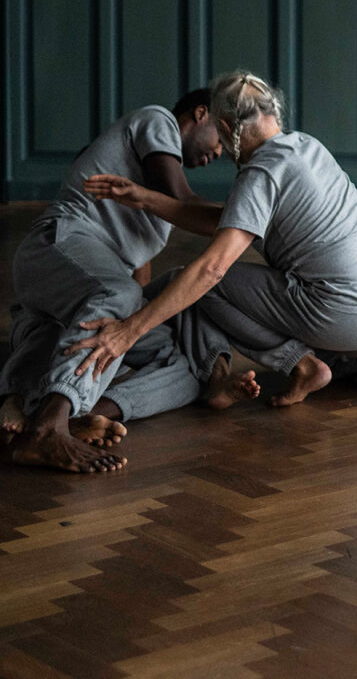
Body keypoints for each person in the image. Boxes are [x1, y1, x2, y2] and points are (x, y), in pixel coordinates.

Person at [70, 71, 357, 408]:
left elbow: (213, 268)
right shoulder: (307, 147)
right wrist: (144, 198)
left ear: (226, 127)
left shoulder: (261, 172)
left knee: (202, 285)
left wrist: (128, 330)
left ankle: (298, 365)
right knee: (328, 341)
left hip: (346, 311)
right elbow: (234, 223)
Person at [0, 90, 249, 472]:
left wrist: (140, 322)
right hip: (59, 246)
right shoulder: (156, 120)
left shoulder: (159, 206)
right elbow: (180, 197)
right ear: (200, 114)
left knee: (183, 371)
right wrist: (252, 214)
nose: (220, 153)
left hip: (99, 287)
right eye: (220, 140)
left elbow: (140, 270)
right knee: (119, 293)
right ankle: (49, 427)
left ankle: (84, 413)